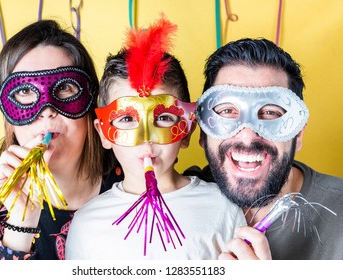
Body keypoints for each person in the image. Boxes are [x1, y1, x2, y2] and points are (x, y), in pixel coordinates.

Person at [65, 17, 245, 260]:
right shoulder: (87, 224)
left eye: (163, 118)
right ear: (103, 134)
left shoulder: (224, 208)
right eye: (127, 120)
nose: (146, 139)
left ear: (187, 131)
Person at [0, 20, 122, 260]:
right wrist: (21, 223)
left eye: (64, 87)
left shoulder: (134, 183)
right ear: (6, 110)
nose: (46, 110)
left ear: (90, 102)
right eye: (24, 91)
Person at [187, 38, 343, 260]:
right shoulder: (171, 206)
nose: (248, 137)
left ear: (298, 134)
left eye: (271, 112)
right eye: (227, 111)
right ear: (202, 132)